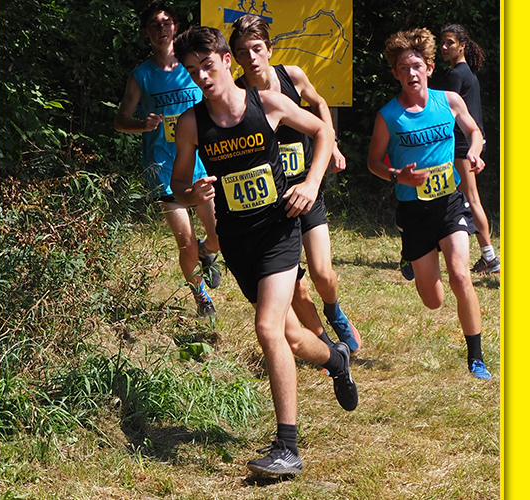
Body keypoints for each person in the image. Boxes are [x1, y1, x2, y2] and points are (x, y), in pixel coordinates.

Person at [171, 25, 358, 478]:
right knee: (291, 336)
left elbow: (321, 131)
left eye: (208, 66)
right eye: (193, 71)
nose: (202, 77)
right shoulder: (192, 123)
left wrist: (311, 184)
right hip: (238, 241)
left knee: (266, 327)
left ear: (226, 62)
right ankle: (336, 360)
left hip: (279, 231)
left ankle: (286, 447)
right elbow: (177, 184)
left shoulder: (268, 103)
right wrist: (193, 192)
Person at [228, 14, 361, 353]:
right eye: (243, 52)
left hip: (306, 187)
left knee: (322, 273)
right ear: (235, 58)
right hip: (272, 201)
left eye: (257, 48)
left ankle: (334, 311)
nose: (251, 57)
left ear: (269, 49)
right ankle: (327, 345)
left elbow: (318, 104)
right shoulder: (237, 97)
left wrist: (330, 143)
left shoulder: (292, 76)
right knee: (298, 289)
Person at [367, 27, 492, 380]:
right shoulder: (388, 116)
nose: (410, 74)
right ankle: (411, 254)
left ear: (429, 68)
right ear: (395, 73)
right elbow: (374, 162)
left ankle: (476, 357)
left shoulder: (449, 100)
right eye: (403, 68)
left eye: (416, 66)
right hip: (414, 210)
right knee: (433, 300)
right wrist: (397, 176)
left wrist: (475, 152)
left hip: (449, 202)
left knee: (460, 275)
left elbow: (474, 132)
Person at [114, 2, 221, 318]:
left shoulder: (194, 67)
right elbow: (120, 119)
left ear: (176, 27)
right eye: (155, 24)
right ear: (146, 32)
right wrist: (141, 124)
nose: (162, 28)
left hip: (200, 163)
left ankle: (207, 251)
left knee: (217, 236)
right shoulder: (141, 76)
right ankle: (202, 298)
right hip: (162, 166)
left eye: (167, 22)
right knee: (185, 243)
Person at [439, 23, 499, 274]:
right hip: (471, 143)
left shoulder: (456, 75)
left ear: (462, 46)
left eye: (450, 43)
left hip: (462, 144)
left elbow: (446, 114)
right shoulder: (467, 73)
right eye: (442, 42)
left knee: (470, 198)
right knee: (457, 198)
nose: (444, 47)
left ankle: (490, 257)